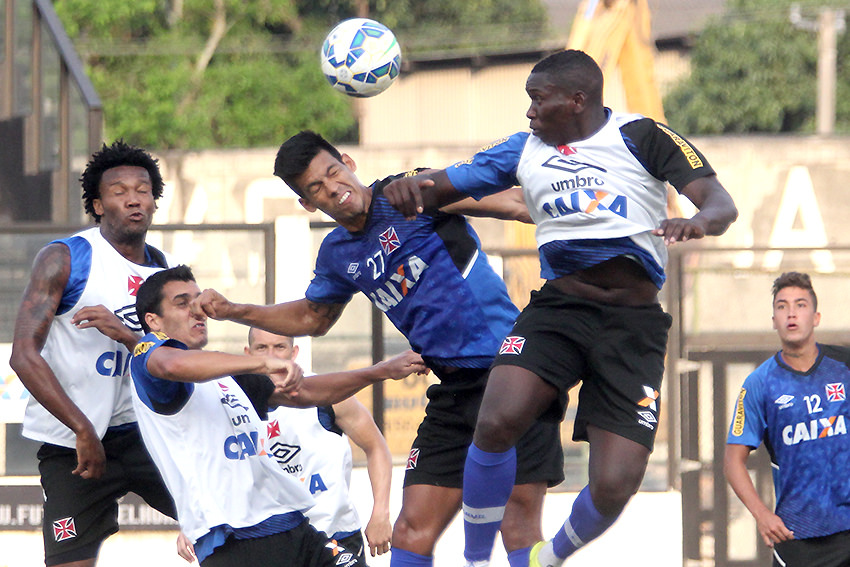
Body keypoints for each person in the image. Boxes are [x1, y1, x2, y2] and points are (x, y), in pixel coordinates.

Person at [381, 49, 739, 567]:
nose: (529, 111)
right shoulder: (522, 150)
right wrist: (411, 184)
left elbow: (721, 202)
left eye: (537, 99)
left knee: (616, 483)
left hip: (632, 326)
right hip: (559, 311)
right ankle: (477, 558)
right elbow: (448, 183)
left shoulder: (642, 136)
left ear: (577, 100)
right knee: (495, 420)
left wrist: (699, 221)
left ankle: (549, 558)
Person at [191, 131, 565, 567]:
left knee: (517, 525)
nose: (333, 188)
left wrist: (593, 223)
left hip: (510, 373)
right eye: (316, 188)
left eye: (333, 172)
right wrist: (236, 310)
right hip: (452, 390)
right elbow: (314, 318)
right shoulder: (337, 254)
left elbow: (517, 204)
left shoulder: (410, 192)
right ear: (307, 204)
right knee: (409, 533)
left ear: (348, 163)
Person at [130, 265, 426, 566]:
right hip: (236, 542)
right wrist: (262, 363)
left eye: (197, 302)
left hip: (295, 527)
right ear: (153, 321)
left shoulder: (228, 376)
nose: (197, 311)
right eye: (182, 303)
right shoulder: (148, 356)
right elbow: (170, 365)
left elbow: (305, 392)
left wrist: (381, 371)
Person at [9, 141, 177, 567]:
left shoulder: (166, 271)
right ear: (98, 206)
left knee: (230, 521)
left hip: (145, 433)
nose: (134, 199)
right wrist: (82, 429)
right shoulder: (65, 258)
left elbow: (181, 358)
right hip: (72, 440)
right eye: (120, 191)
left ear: (154, 201)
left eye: (143, 190)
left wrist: (129, 335)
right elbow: (23, 355)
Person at [725, 272, 850, 567]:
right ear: (773, 320)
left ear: (816, 317)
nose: (791, 313)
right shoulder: (759, 383)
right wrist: (762, 515)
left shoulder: (844, 365)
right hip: (797, 538)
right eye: (782, 306)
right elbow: (732, 461)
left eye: (800, 305)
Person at [251, 329, 394, 560]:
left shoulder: (325, 393)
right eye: (261, 348)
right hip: (272, 542)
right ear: (248, 353)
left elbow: (376, 446)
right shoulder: (233, 404)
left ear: (294, 352)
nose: (271, 356)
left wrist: (381, 512)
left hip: (334, 535)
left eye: (279, 347)